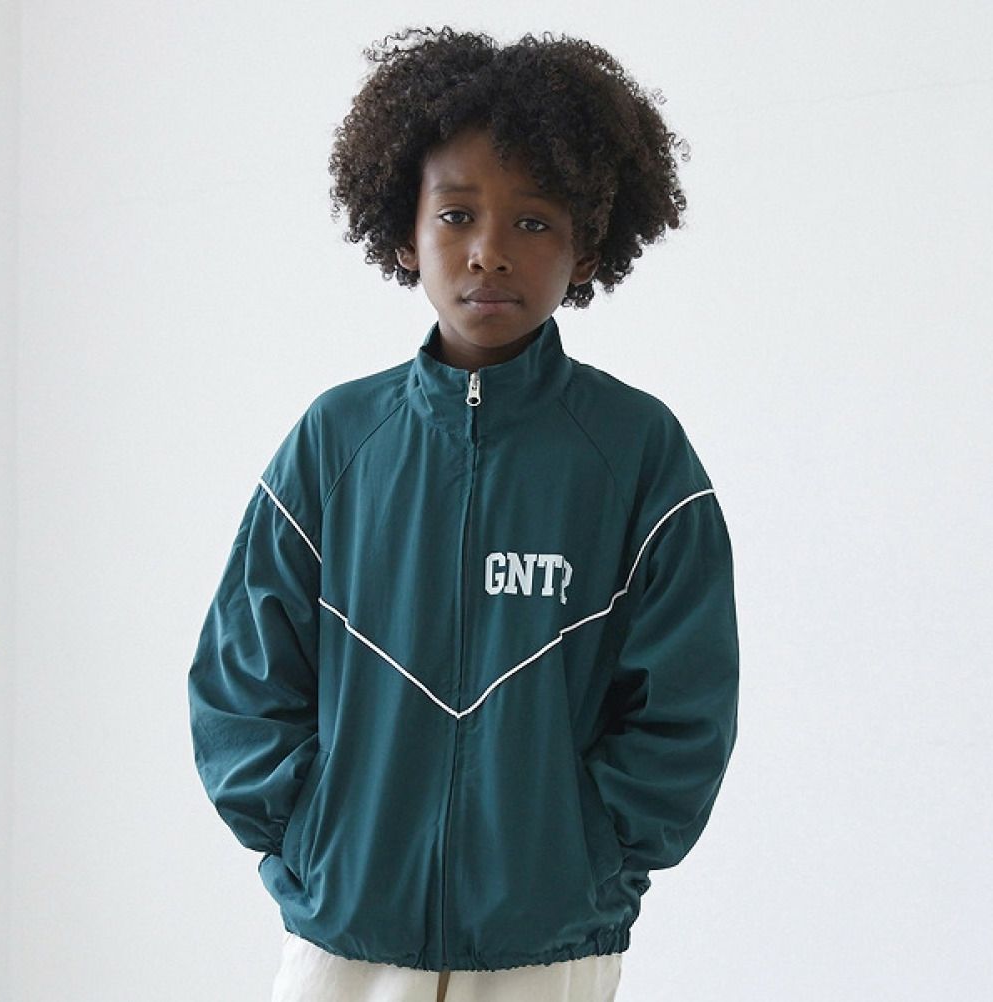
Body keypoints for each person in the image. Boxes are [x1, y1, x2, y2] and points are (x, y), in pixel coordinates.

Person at [187, 26, 739, 1002]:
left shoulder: (636, 454)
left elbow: (685, 707)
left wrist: (591, 854)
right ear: (406, 233)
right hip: (346, 939)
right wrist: (312, 836)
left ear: (586, 247)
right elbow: (242, 676)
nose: (490, 251)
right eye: (457, 215)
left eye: (533, 221)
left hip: (548, 947)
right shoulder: (336, 442)